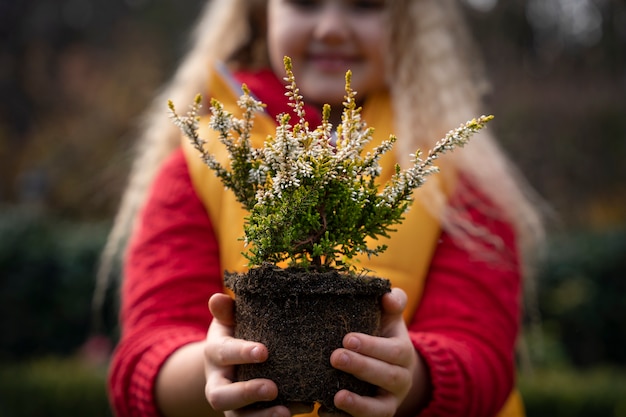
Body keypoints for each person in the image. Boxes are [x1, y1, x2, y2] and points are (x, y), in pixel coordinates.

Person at [100, 1, 545, 416]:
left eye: (366, 4)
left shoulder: (457, 171)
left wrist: (408, 375)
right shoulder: (199, 164)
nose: (332, 28)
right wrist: (212, 369)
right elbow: (144, 355)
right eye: (305, 0)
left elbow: (484, 355)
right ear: (259, 14)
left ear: (407, 22)